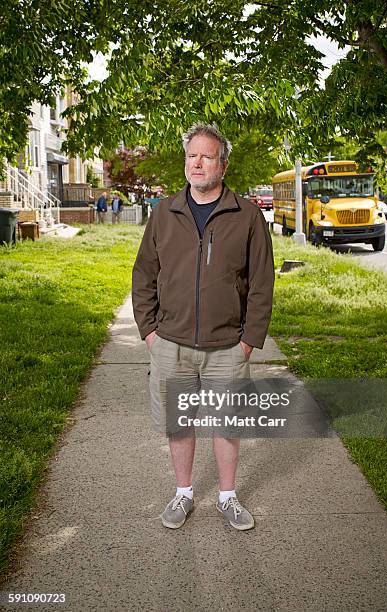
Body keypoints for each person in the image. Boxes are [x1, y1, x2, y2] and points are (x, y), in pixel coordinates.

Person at [132, 123, 274, 531]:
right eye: (191, 155)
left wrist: (248, 341)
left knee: (227, 424)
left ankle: (228, 497)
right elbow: (144, 275)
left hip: (227, 345)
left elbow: (262, 283)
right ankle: (184, 493)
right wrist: (149, 332)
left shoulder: (246, 216)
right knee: (179, 423)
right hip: (170, 343)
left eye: (206, 156)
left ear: (222, 165)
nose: (197, 163)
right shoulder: (163, 212)